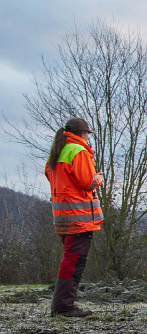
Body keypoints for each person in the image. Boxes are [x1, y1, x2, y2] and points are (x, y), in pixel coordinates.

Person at [45, 118, 103, 318]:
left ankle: (62, 304)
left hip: (62, 215)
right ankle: (63, 305)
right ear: (82, 134)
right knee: (74, 260)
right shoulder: (78, 151)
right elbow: (87, 181)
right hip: (79, 216)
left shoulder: (58, 150)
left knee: (69, 258)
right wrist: (99, 178)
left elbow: (49, 174)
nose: (88, 138)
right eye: (88, 134)